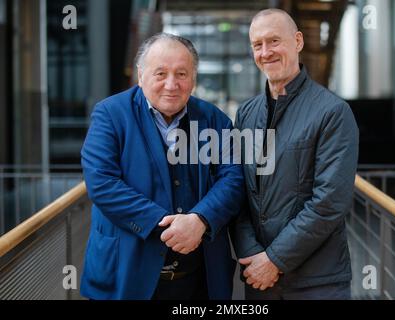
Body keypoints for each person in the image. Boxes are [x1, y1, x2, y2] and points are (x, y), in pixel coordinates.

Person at [80, 33, 244, 300]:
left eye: (181, 73)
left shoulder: (215, 120)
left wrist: (200, 220)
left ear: (193, 78)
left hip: (198, 280)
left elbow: (233, 178)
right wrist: (165, 224)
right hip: (126, 274)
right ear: (141, 75)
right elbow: (102, 183)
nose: (172, 84)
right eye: (160, 73)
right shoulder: (110, 114)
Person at [231, 9, 359, 300]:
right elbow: (237, 192)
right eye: (257, 44)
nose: (266, 52)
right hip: (260, 280)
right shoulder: (246, 114)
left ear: (298, 41)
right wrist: (252, 254)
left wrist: (274, 259)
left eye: (274, 41)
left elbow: (328, 203)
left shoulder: (332, 112)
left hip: (318, 282)